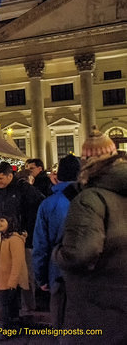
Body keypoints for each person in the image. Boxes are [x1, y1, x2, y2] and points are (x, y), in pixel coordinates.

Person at [53, 126, 127, 344]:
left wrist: (57, 254)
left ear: (86, 162)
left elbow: (80, 254)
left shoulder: (90, 199)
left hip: (97, 305)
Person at [0, 161, 44, 314]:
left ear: (10, 176)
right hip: (1, 238)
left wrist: (28, 230)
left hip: (21, 238)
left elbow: (39, 204)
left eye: (0, 178)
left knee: (24, 274)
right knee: (6, 272)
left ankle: (28, 308)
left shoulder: (22, 188)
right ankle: (11, 309)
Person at [32, 154, 81, 329]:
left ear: (57, 176)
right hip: (87, 272)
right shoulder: (92, 199)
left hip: (58, 272)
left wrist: (41, 278)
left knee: (60, 321)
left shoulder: (48, 204)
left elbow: (41, 245)